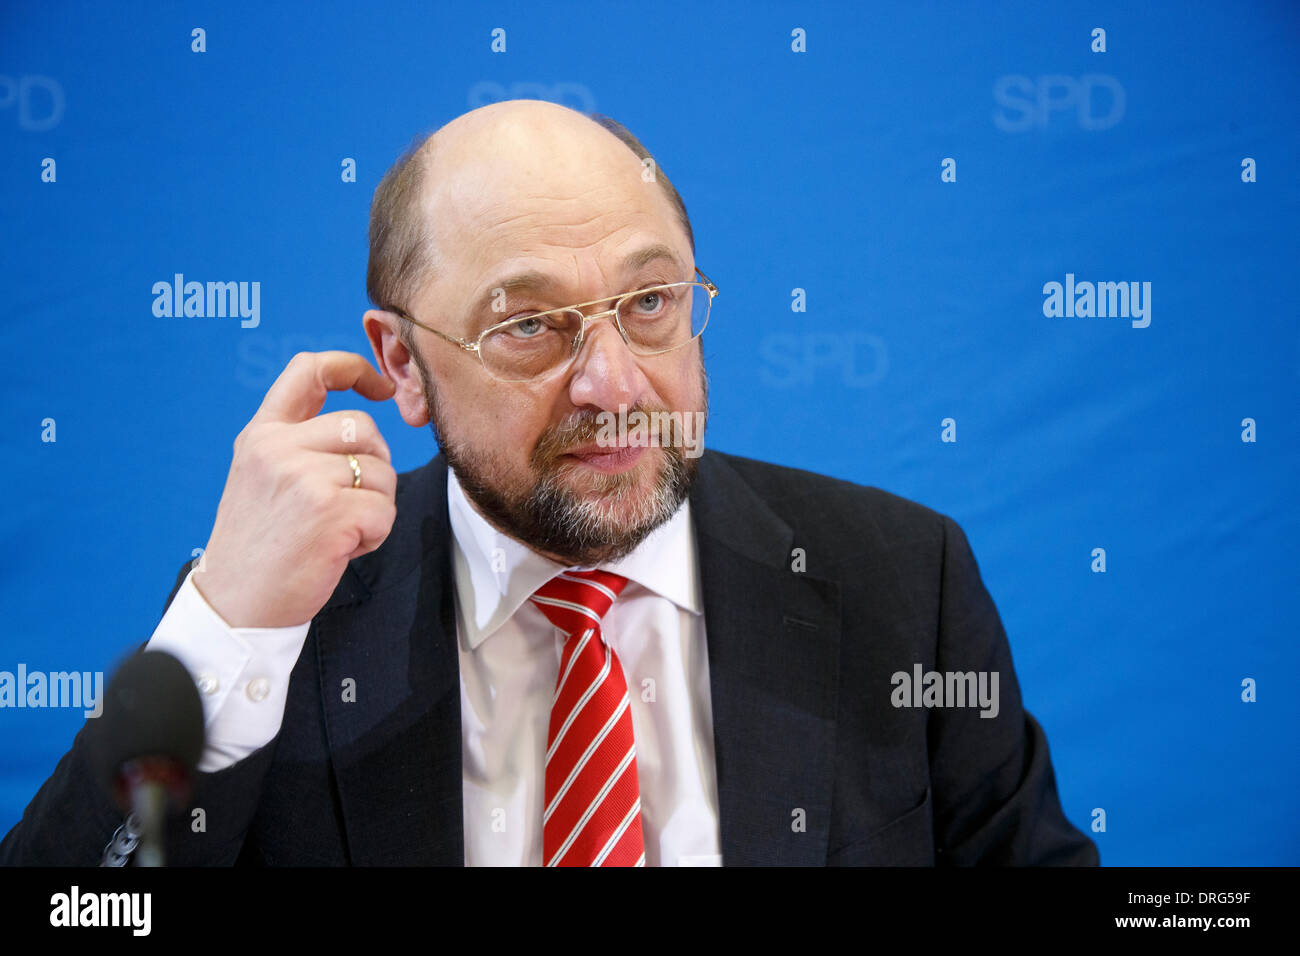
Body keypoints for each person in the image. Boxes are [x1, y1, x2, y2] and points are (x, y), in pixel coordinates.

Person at [0, 99, 1098, 866]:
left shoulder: (904, 582)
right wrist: (224, 627)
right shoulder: (287, 613)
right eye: (529, 325)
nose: (612, 381)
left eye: (651, 302)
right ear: (401, 365)